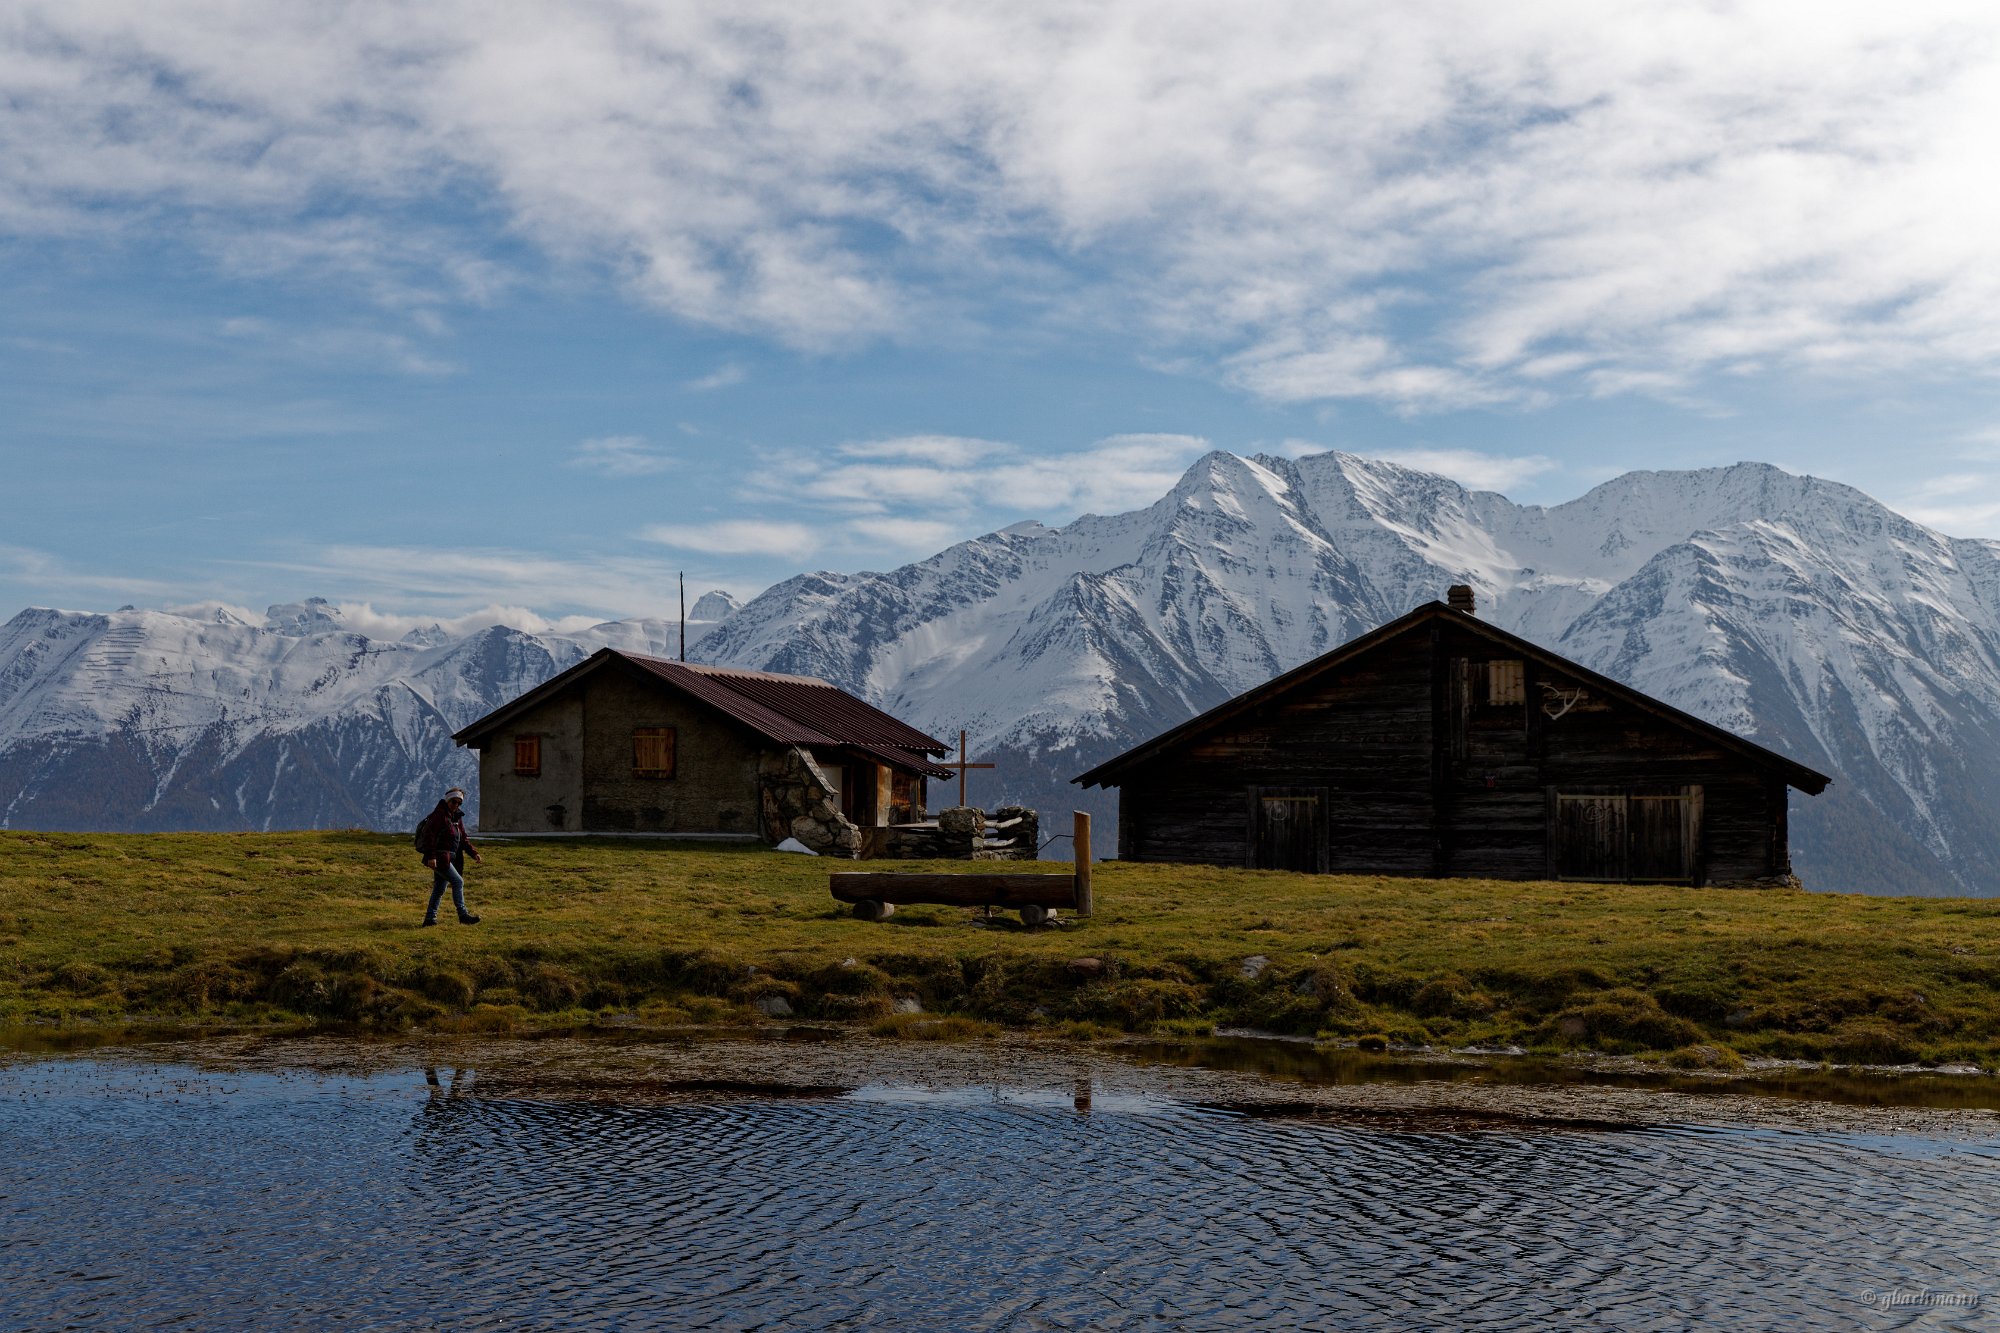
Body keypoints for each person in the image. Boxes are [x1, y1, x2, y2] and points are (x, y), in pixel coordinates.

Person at [418, 787, 483, 926]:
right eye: (454, 802)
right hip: (440, 857)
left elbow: (463, 838)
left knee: (439, 889)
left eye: (459, 803)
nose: (456, 805)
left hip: (448, 857)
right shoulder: (439, 815)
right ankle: (463, 915)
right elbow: (429, 836)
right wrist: (431, 857)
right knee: (458, 882)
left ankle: (429, 919)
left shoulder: (456, 817)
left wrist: (474, 853)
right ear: (448, 800)